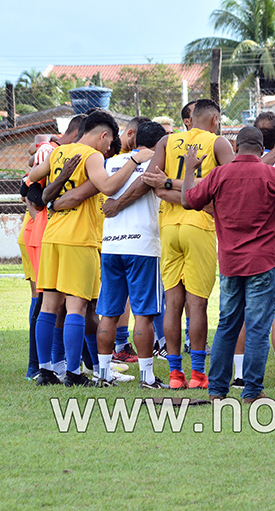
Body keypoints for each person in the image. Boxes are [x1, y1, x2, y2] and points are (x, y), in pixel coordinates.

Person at [181, 126, 275, 403]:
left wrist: (188, 169)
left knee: (227, 326)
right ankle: (251, 392)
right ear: (262, 150)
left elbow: (188, 201)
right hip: (263, 263)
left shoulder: (219, 174)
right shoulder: (272, 174)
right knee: (257, 328)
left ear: (235, 147)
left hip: (230, 263)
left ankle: (217, 391)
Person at [139, 99, 235, 389]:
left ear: (190, 119)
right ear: (215, 119)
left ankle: (174, 375)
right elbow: (230, 183)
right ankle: (197, 374)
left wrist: (170, 183)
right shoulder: (218, 143)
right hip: (199, 226)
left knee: (173, 305)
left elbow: (152, 181)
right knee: (197, 305)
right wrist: (197, 190)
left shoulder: (167, 141)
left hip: (168, 227)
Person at [27, 110, 120, 386]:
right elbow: (107, 186)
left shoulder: (59, 152)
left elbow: (33, 174)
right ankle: (74, 373)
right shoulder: (92, 156)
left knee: (49, 305)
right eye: (109, 141)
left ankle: (45, 370)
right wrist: (131, 166)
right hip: (79, 238)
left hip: (52, 235)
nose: (108, 148)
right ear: (103, 135)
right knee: (77, 307)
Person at [94, 121, 168, 388]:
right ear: (160, 143)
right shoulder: (157, 162)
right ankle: (147, 377)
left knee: (109, 314)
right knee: (144, 314)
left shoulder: (112, 162)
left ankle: (103, 374)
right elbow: (150, 185)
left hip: (112, 245)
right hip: (142, 247)